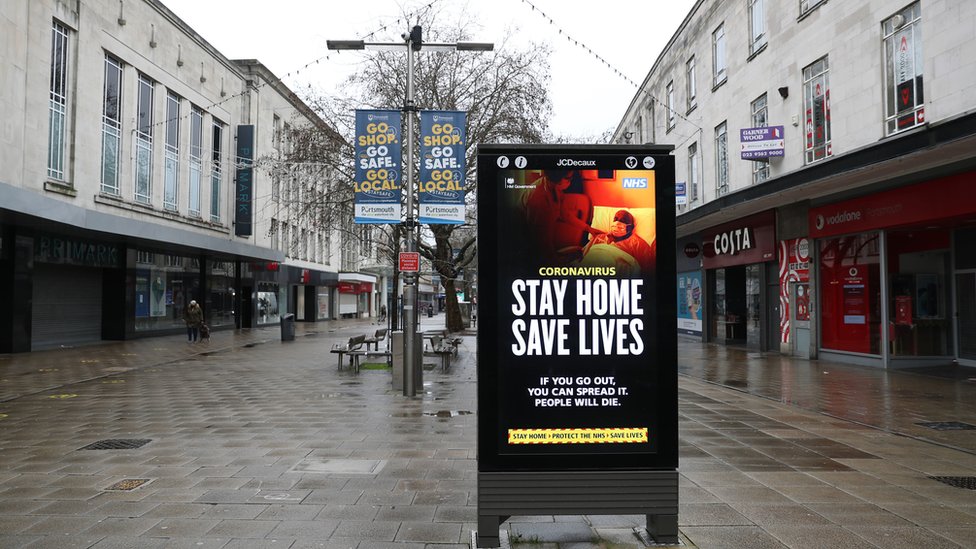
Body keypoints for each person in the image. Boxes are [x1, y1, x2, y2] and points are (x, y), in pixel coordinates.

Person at [523, 170, 603, 259]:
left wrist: (589, 229)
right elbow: (539, 237)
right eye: (568, 178)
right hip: (529, 249)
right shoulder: (537, 196)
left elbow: (566, 215)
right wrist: (553, 259)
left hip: (546, 247)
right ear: (556, 177)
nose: (571, 181)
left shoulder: (556, 189)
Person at [582, 209, 656, 273]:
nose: (617, 223)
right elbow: (584, 256)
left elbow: (648, 269)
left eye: (623, 220)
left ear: (631, 227)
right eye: (615, 219)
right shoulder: (599, 238)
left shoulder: (637, 243)